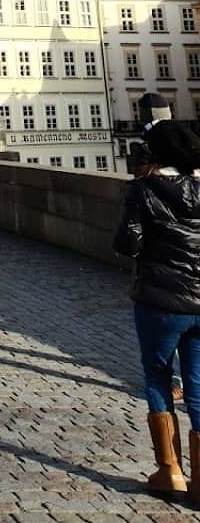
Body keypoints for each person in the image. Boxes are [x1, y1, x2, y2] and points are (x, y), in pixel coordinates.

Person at [114, 92, 200, 501]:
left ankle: (170, 472)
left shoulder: (143, 190)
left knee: (158, 377)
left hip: (160, 302)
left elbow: (127, 244)